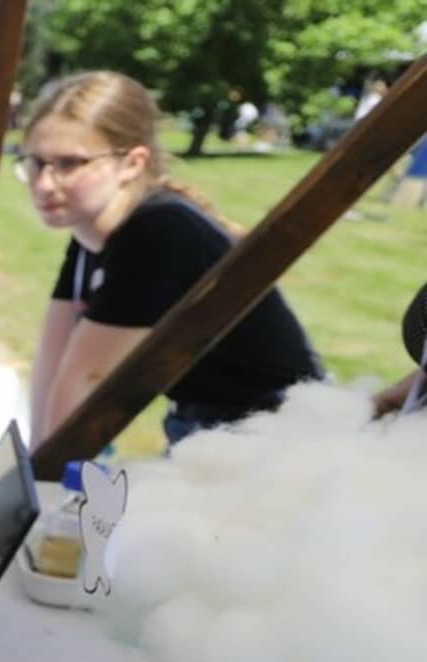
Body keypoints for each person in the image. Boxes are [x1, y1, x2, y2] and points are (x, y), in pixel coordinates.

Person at [23, 71, 322, 447]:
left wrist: (39, 478)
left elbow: (88, 380)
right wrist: (31, 467)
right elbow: (54, 359)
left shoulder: (158, 230)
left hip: (276, 438)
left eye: (69, 164)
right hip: (212, 426)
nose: (45, 183)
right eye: (36, 162)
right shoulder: (91, 232)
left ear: (132, 163)